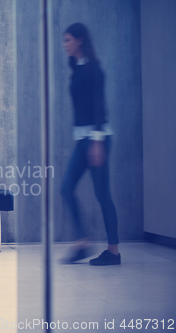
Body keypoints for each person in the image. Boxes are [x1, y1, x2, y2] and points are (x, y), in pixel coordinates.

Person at [61, 23, 120, 265]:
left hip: (97, 139)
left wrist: (96, 142)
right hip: (83, 140)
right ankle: (83, 241)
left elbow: (99, 107)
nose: (65, 44)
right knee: (66, 188)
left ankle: (113, 252)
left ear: (80, 40)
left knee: (102, 194)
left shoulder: (94, 70)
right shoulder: (77, 68)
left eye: (68, 40)